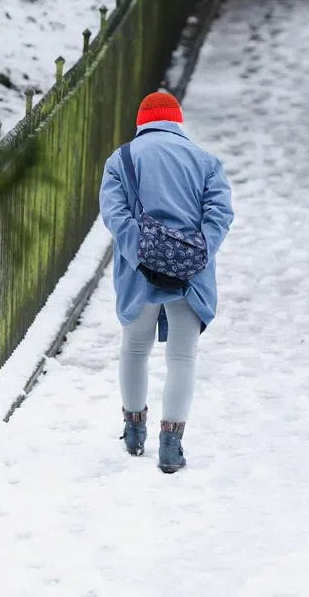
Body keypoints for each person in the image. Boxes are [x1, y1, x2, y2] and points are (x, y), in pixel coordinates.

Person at [98, 90, 233, 473]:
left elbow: (114, 212)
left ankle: (134, 431)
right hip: (191, 276)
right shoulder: (207, 162)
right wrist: (197, 252)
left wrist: (140, 249)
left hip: (138, 273)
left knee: (135, 349)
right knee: (182, 357)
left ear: (142, 123)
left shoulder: (122, 160)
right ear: (177, 122)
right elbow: (220, 215)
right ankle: (171, 445)